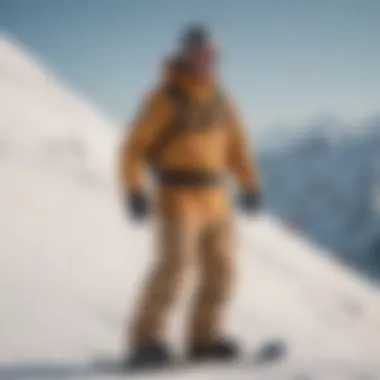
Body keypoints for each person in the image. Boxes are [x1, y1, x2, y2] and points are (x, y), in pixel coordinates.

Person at [119, 23, 261, 368]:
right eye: (197, 52)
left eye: (210, 53)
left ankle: (204, 339)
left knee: (223, 270)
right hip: (177, 197)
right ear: (184, 54)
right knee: (174, 266)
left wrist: (249, 184)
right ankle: (145, 341)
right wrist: (134, 189)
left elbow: (238, 148)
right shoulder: (164, 99)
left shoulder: (222, 101)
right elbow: (133, 149)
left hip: (216, 199)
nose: (204, 59)